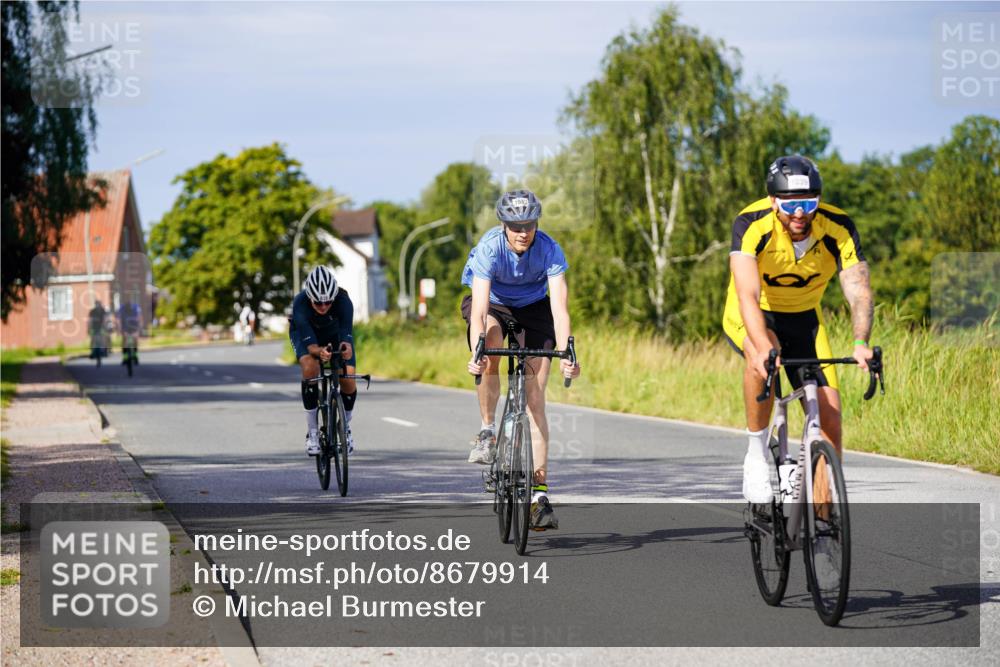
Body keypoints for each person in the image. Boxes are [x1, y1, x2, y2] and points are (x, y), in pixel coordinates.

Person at [723, 155, 874, 505]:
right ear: (773, 202)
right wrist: (760, 345)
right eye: (790, 205)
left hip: (806, 317)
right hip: (755, 313)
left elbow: (858, 289)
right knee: (762, 358)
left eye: (808, 203)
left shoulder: (839, 227)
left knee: (830, 420)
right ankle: (757, 454)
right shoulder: (751, 223)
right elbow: (747, 293)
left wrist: (860, 341)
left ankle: (822, 535)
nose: (799, 214)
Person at [462, 189, 581, 530]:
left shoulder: (549, 249)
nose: (522, 232)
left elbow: (559, 308)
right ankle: (487, 430)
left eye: (528, 224)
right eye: (515, 225)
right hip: (494, 305)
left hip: (534, 308)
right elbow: (480, 310)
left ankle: (539, 495)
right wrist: (477, 350)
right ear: (503, 225)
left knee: (534, 399)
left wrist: (567, 352)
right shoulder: (490, 248)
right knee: (491, 343)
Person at [290, 265, 357, 457]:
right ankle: (312, 432)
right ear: (310, 297)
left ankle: (345, 427)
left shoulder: (344, 302)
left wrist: (345, 348)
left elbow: (346, 336)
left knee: (348, 376)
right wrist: (321, 353)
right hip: (305, 335)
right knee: (311, 367)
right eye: (318, 303)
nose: (323, 306)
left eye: (327, 302)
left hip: (333, 332)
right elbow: (311, 348)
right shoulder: (300, 303)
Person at [116, 296, 143, 363]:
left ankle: (135, 355)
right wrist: (119, 329)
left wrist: (139, 328)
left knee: (135, 340)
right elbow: (118, 319)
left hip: (134, 327)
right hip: (125, 328)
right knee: (124, 341)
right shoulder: (122, 308)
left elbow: (140, 318)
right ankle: (125, 357)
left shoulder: (136, 308)